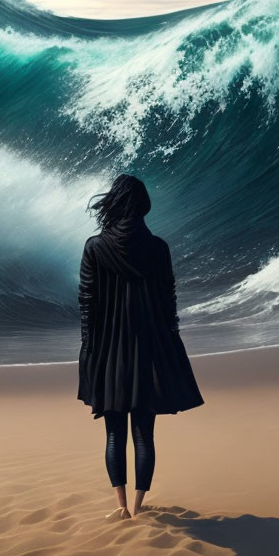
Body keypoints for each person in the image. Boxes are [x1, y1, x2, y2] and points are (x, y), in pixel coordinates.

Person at [77, 174, 204, 521]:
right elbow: (168, 301)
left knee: (114, 433)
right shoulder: (158, 248)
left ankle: (119, 508)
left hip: (107, 352)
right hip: (149, 351)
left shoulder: (94, 247)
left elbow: (87, 304)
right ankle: (138, 506)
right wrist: (172, 342)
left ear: (113, 203)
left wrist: (89, 351)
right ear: (144, 204)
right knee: (144, 434)